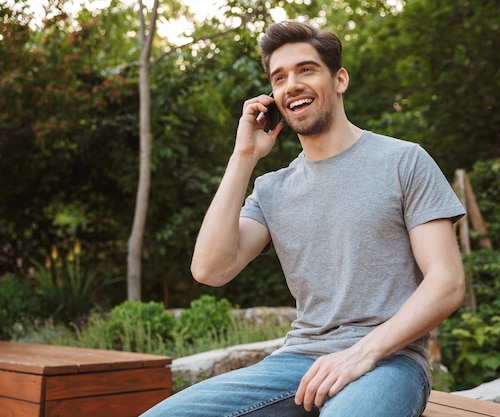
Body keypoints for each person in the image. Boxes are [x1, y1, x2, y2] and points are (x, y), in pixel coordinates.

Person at [142, 20, 466, 417]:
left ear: (339, 79)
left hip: (389, 361)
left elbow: (447, 283)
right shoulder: (272, 189)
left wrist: (359, 355)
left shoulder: (403, 160)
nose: (291, 84)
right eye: (279, 78)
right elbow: (211, 269)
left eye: (306, 70)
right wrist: (243, 157)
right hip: (296, 363)